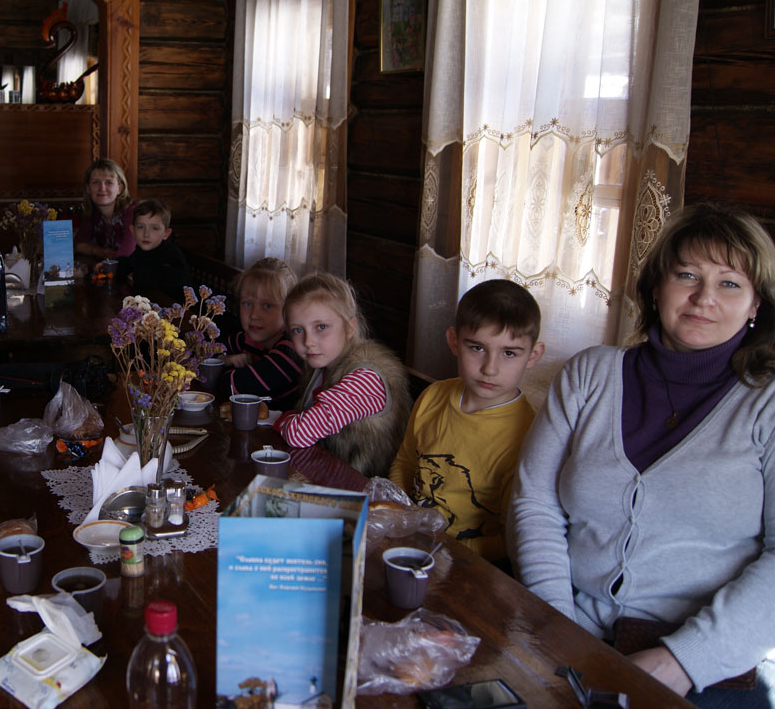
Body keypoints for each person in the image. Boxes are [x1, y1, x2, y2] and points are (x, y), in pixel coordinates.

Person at [509, 203, 775, 705]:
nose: (703, 298)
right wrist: (558, 624)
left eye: (729, 283)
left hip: (707, 665)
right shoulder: (589, 375)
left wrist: (683, 661)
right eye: (687, 275)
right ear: (656, 288)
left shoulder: (767, 403)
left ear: (755, 304)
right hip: (567, 629)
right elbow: (535, 502)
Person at [389, 280, 544, 563]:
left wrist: (441, 551)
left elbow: (511, 537)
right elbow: (405, 463)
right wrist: (396, 514)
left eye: (509, 353)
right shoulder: (433, 396)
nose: (490, 368)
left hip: (467, 565)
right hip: (407, 540)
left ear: (533, 356)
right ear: (454, 341)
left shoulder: (528, 436)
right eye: (477, 348)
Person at [273, 273, 410, 476]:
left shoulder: (365, 378)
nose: (308, 341)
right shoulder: (323, 366)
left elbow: (300, 433)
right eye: (298, 330)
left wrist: (284, 419)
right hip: (328, 475)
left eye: (321, 327)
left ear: (349, 328)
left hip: (365, 486)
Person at [217, 257, 304, 410]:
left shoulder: (292, 349)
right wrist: (226, 359)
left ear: (290, 309)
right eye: (247, 303)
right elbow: (201, 351)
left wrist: (221, 367)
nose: (254, 315)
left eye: (267, 306)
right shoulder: (249, 339)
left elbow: (234, 389)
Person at [108, 199, 190, 301]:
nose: (146, 234)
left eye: (154, 228)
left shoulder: (171, 253)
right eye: (140, 227)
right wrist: (112, 265)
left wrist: (137, 276)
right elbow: (129, 264)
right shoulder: (140, 251)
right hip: (149, 301)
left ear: (166, 234)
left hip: (173, 305)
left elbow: (173, 278)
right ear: (133, 231)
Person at [74, 158, 136, 259]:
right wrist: (98, 251)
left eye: (109, 182)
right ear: (88, 188)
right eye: (96, 182)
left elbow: (126, 254)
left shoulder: (133, 213)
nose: (102, 188)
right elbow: (78, 245)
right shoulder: (93, 214)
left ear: (120, 189)